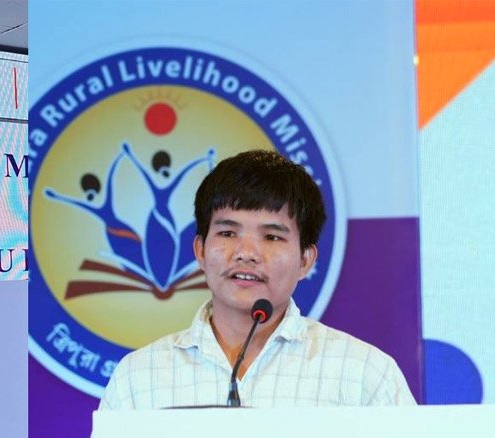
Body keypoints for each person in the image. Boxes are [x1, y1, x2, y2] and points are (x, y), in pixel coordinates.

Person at [98, 148, 414, 409]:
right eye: (227, 233)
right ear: (200, 251)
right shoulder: (137, 378)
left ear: (306, 260)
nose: (246, 253)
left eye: (272, 237)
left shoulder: (364, 374)